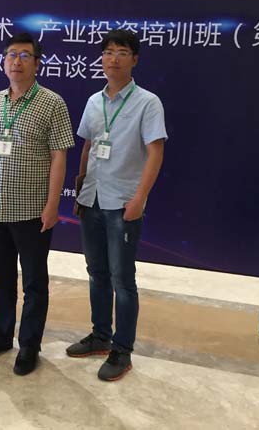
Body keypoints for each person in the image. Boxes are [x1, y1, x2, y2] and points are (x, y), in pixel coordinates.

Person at [66, 29, 167, 381]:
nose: (113, 58)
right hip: (91, 198)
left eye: (121, 52)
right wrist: (80, 188)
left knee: (122, 279)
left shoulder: (147, 103)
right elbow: (88, 145)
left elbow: (156, 152)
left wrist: (139, 198)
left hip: (123, 203)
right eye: (108, 52)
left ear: (134, 59)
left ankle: (122, 350)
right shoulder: (94, 101)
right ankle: (100, 336)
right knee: (97, 273)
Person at [0, 32, 75, 376]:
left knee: (33, 282)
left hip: (32, 210)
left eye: (25, 55)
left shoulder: (52, 103)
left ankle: (29, 345)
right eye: (11, 55)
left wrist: (53, 205)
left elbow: (59, 156)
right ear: (4, 62)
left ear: (37, 63)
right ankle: (1, 335)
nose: (17, 61)